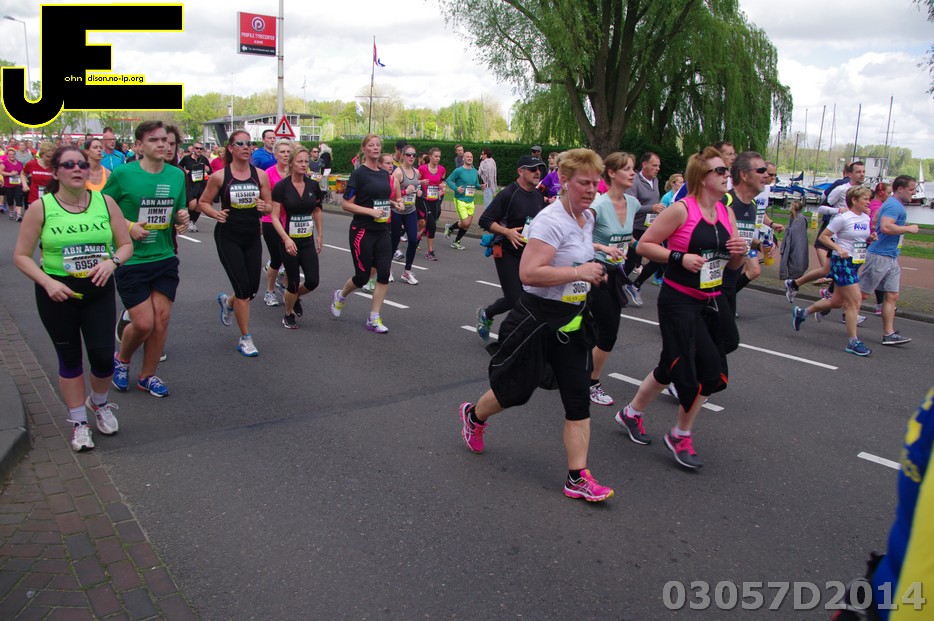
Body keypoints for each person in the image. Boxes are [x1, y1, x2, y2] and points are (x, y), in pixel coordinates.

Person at [458, 148, 615, 502]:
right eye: (584, 183)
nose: (592, 189)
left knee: (578, 399)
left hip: (572, 321)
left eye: (595, 183)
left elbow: (576, 252)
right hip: (537, 319)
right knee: (513, 392)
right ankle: (474, 416)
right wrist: (579, 271)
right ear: (564, 181)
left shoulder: (586, 217)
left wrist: (598, 260)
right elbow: (529, 273)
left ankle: (577, 477)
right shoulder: (550, 220)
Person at [616, 147, 746, 469]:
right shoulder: (681, 210)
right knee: (705, 369)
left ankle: (630, 413)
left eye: (727, 170)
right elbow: (644, 245)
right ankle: (680, 434)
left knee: (675, 363)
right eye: (720, 171)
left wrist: (739, 253)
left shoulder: (726, 212)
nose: (727, 176)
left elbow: (733, 265)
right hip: (679, 300)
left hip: (711, 297)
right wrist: (679, 257)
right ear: (702, 177)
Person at [13, 146, 134, 451]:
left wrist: (112, 263)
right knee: (69, 358)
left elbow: (125, 245)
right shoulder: (41, 207)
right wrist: (47, 282)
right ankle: (79, 422)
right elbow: (22, 256)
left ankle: (99, 404)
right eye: (68, 164)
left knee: (103, 357)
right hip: (57, 292)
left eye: (81, 164)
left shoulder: (105, 202)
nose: (77, 169)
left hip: (98, 289)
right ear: (55, 172)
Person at [104, 120, 189, 397]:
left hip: (164, 256)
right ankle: (122, 359)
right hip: (132, 259)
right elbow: (101, 210)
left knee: (161, 319)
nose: (162, 144)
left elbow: (178, 211)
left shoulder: (176, 175)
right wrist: (128, 226)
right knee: (143, 322)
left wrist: (182, 217)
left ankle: (147, 376)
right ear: (139, 146)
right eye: (154, 140)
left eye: (165, 139)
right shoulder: (123, 174)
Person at [198, 130, 272, 357]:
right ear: (230, 148)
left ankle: (228, 303)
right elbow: (203, 202)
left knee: (251, 290)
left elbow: (269, 206)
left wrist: (264, 207)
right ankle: (245, 337)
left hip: (252, 235)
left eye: (250, 143)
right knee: (242, 289)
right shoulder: (220, 176)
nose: (246, 147)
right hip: (228, 236)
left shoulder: (260, 175)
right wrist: (215, 214)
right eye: (240, 143)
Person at [792, 187, 875, 356]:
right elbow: (824, 236)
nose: (869, 202)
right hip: (842, 262)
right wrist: (838, 248)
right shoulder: (842, 218)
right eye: (865, 199)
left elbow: (858, 238)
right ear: (854, 200)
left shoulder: (865, 218)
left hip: (855, 261)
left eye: (869, 199)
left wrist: (869, 239)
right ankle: (853, 342)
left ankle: (802, 313)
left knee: (837, 301)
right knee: (855, 302)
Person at [586, 152, 640, 407]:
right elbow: (578, 238)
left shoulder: (633, 203)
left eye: (633, 168)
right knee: (608, 332)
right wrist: (602, 248)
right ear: (611, 173)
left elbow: (628, 237)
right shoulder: (597, 206)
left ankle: (572, 365)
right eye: (627, 168)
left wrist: (648, 247)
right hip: (595, 272)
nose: (632, 173)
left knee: (594, 329)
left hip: (617, 273)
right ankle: (591, 383)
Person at [475, 154, 547, 341]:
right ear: (520, 171)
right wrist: (507, 232)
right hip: (506, 251)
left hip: (529, 254)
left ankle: (487, 313)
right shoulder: (508, 193)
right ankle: (508, 337)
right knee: (516, 299)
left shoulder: (538, 196)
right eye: (532, 169)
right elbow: (485, 220)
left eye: (539, 169)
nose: (537, 172)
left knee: (523, 297)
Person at [329, 134, 393, 334]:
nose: (375, 148)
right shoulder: (358, 174)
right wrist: (370, 212)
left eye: (378, 145)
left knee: (384, 273)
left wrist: (394, 204)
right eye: (371, 145)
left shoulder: (384, 174)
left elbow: (380, 199)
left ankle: (374, 317)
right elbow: (346, 204)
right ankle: (340, 295)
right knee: (362, 277)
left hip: (382, 230)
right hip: (362, 230)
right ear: (364, 149)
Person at [785, 162, 865, 302]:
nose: (862, 174)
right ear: (850, 174)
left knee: (832, 270)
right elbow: (822, 208)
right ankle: (834, 300)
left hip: (855, 237)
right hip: (838, 236)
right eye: (858, 172)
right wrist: (839, 210)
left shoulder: (863, 192)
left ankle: (798, 285)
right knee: (836, 271)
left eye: (863, 172)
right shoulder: (841, 189)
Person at [859, 175, 919, 346]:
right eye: (911, 189)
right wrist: (908, 228)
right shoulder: (893, 205)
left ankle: (888, 334)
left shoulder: (892, 204)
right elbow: (885, 227)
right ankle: (818, 308)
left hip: (891, 256)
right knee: (862, 294)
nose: (914, 193)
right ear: (900, 189)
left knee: (892, 295)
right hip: (879, 256)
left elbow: (876, 220)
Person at [270, 145, 323, 329]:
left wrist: (320, 235)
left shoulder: (313, 185)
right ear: (291, 163)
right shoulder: (281, 187)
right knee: (292, 282)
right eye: (299, 161)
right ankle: (288, 313)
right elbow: (274, 217)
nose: (303, 164)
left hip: (307, 240)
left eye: (306, 161)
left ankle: (294, 297)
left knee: (313, 281)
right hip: (288, 241)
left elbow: (317, 210)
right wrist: (286, 239)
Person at [622, 152, 664, 306]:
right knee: (630, 262)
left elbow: (654, 202)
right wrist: (651, 208)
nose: (657, 168)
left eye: (658, 166)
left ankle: (636, 284)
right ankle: (613, 288)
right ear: (644, 165)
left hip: (649, 228)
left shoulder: (655, 180)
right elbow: (630, 205)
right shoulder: (634, 181)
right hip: (634, 227)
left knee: (659, 257)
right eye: (654, 165)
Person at [260, 138, 293, 307]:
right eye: (282, 152)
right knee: (276, 258)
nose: (286, 155)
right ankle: (270, 291)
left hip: (291, 221)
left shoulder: (295, 173)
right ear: (275, 155)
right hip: (271, 220)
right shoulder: (268, 173)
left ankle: (285, 286)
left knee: (293, 257)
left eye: (288, 152)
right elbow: (265, 199)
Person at [390, 144, 422, 284]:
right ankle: (387, 269)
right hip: (397, 211)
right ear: (403, 156)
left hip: (410, 210)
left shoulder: (416, 172)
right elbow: (391, 194)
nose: (411, 157)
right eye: (408, 154)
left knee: (413, 240)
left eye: (414, 155)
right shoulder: (398, 172)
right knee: (394, 241)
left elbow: (416, 186)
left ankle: (407, 272)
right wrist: (405, 192)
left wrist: (418, 191)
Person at [444, 151, 486, 250]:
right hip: (460, 199)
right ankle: (450, 227)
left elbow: (476, 184)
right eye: (467, 157)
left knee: (467, 224)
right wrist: (456, 188)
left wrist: (480, 187)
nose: (469, 158)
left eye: (471, 157)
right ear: (463, 158)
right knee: (465, 223)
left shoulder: (474, 171)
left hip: (470, 200)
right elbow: (449, 180)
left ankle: (456, 241)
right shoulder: (458, 170)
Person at [417, 147, 446, 261]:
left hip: (435, 199)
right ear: (430, 157)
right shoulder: (422, 169)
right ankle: (429, 252)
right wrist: (421, 182)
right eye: (435, 156)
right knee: (432, 225)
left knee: (431, 222)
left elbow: (442, 181)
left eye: (439, 156)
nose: (438, 158)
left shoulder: (442, 169)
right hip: (423, 199)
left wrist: (442, 186)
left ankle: (418, 236)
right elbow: (414, 181)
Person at [868, 182, 893, 315]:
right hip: (872, 244)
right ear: (881, 193)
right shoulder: (877, 207)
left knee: (877, 275)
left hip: (871, 243)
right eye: (889, 193)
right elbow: (874, 225)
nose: (890, 196)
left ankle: (880, 305)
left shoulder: (877, 205)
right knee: (872, 276)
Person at [178, 141, 211, 233]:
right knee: (192, 204)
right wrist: (184, 171)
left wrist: (207, 169)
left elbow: (210, 171)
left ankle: (192, 222)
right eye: (197, 148)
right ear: (193, 149)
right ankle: (190, 221)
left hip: (201, 184)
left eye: (201, 149)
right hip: (191, 184)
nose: (199, 150)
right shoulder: (187, 158)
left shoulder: (204, 159)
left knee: (199, 206)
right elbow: (179, 167)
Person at [22, 141, 56, 221]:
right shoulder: (31, 164)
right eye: (48, 156)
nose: (50, 159)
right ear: (41, 154)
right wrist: (25, 185)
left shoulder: (55, 166)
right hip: (34, 198)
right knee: (34, 223)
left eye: (52, 157)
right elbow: (23, 174)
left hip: (51, 199)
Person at [779, 200, 809, 282]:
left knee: (795, 255)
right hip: (798, 242)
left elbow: (794, 235)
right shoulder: (800, 218)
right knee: (798, 255)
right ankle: (795, 274)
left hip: (795, 243)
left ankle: (794, 274)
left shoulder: (798, 219)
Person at [0, 145, 25, 221]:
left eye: (13, 154)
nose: (12, 156)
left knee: (18, 198)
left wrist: (23, 179)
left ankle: (19, 215)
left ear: (15, 155)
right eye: (10, 154)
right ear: (7, 155)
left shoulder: (19, 163)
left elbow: (23, 172)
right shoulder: (5, 163)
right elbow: (1, 171)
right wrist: (10, 174)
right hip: (8, 185)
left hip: (18, 184)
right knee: (10, 199)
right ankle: (11, 210)